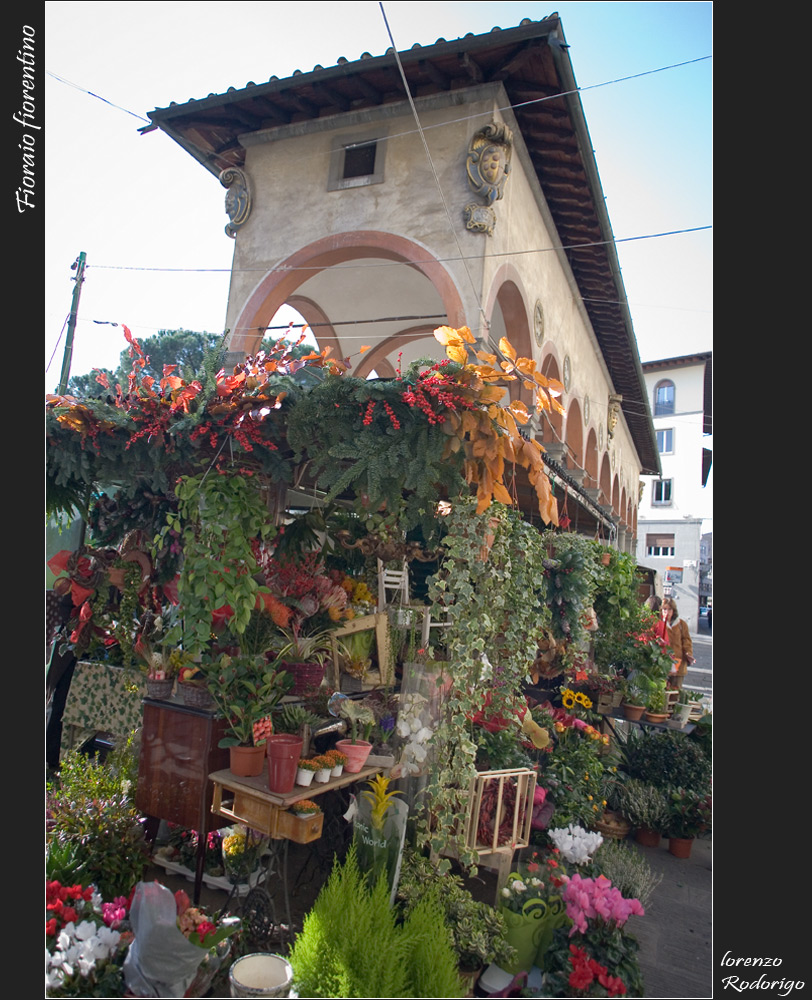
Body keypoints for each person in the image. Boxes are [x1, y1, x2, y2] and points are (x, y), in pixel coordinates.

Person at [662, 597, 695, 688]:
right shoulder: (658, 623)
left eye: (669, 609)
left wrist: (688, 653)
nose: (667, 612)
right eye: (664, 609)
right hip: (662, 665)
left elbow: (687, 641)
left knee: (675, 691)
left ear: (673, 611)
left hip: (678, 664)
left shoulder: (681, 624)